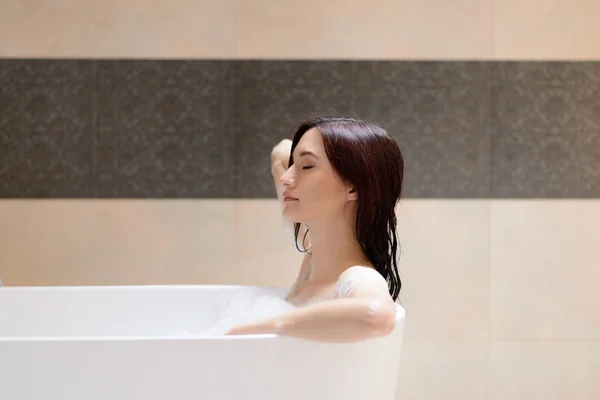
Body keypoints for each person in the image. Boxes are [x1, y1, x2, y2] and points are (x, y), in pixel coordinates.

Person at [226, 116, 404, 343]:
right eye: (292, 166)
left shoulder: (358, 278)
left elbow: (376, 316)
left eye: (307, 166)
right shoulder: (316, 253)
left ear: (354, 188)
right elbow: (280, 151)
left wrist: (270, 327)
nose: (286, 179)